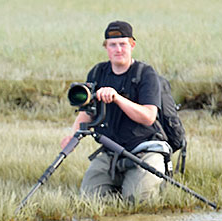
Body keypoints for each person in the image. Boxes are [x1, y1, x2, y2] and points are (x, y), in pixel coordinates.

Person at [61, 21, 166, 202]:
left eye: (123, 44)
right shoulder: (98, 73)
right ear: (106, 47)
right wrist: (72, 137)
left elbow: (149, 117)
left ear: (132, 45)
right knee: (89, 199)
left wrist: (117, 98)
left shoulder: (145, 74)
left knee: (137, 200)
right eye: (113, 45)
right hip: (111, 151)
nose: (118, 49)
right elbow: (87, 111)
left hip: (144, 150)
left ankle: (147, 182)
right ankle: (119, 185)